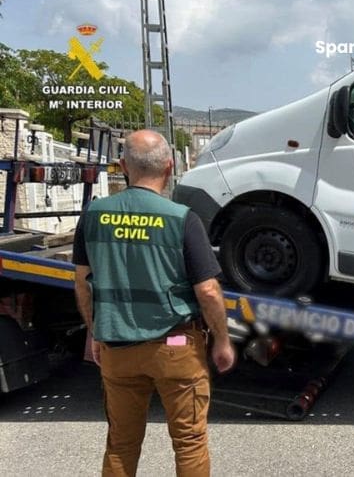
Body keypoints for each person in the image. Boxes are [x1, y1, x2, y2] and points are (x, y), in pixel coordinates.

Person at [73, 129, 236, 477]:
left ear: (122, 166)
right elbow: (208, 290)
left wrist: (96, 332)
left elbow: (82, 284)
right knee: (189, 442)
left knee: (121, 443)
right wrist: (222, 340)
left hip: (117, 348)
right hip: (175, 345)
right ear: (169, 166)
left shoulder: (94, 216)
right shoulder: (181, 218)